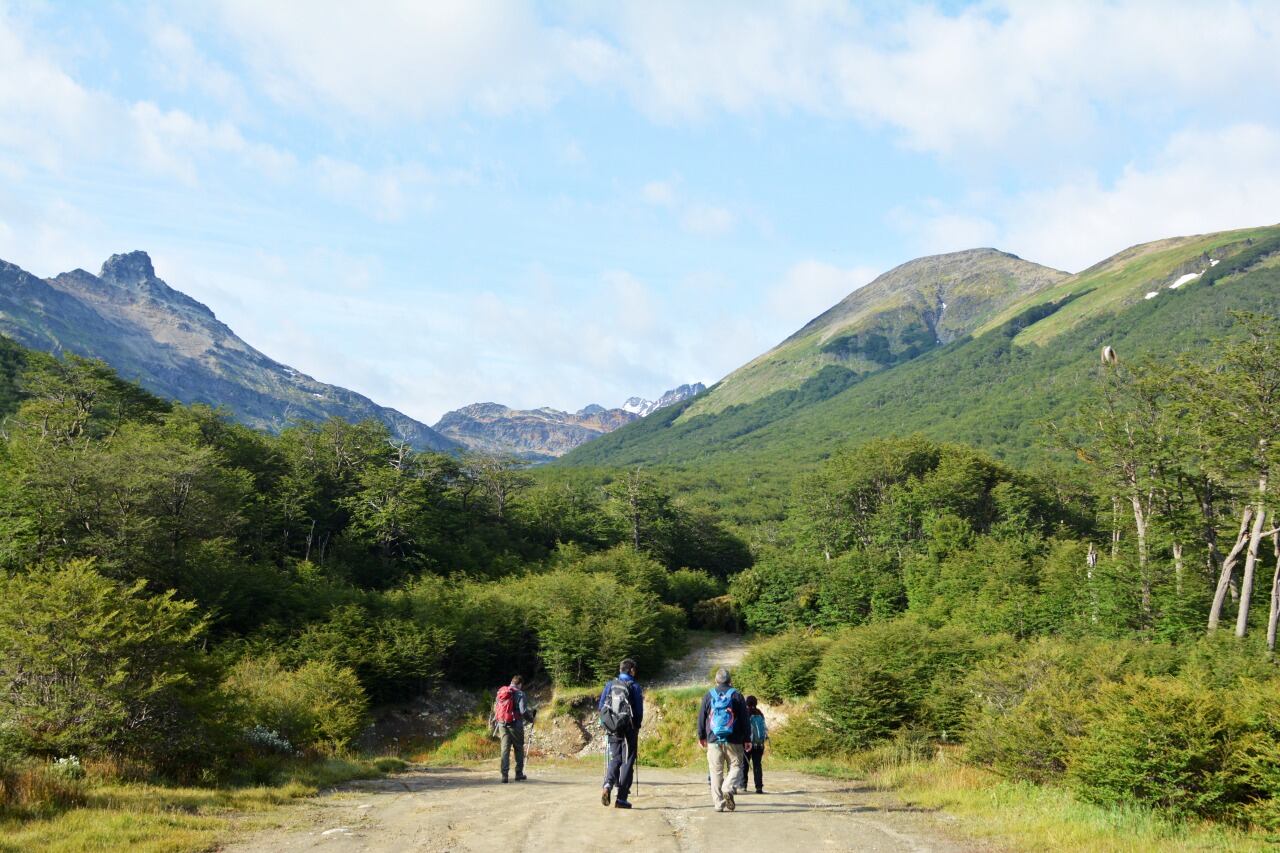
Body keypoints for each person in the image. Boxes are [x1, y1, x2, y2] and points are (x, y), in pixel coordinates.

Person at [697, 668, 751, 812]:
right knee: (736, 766)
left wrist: (701, 736)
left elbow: (702, 717)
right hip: (734, 739)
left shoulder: (709, 695)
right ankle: (728, 787)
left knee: (716, 772)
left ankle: (718, 804)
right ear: (730, 681)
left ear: (716, 681)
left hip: (713, 739)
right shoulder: (737, 695)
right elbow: (745, 719)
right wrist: (747, 738)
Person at [598, 658, 644, 810]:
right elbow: (638, 711)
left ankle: (607, 784)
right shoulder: (634, 686)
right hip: (628, 729)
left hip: (612, 728)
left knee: (616, 758)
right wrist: (637, 726)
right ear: (631, 670)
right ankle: (621, 799)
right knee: (627, 761)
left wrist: (609, 723)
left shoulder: (610, 685)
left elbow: (601, 707)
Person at [493, 674, 535, 783]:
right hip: (515, 724)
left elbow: (496, 707)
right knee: (518, 748)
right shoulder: (520, 693)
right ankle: (519, 774)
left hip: (502, 723)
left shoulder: (501, 692)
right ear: (520, 684)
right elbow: (523, 711)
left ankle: (504, 775)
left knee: (505, 749)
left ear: (512, 682)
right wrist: (531, 719)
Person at [737, 695, 767, 794]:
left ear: (746, 703)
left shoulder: (746, 713)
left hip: (747, 743)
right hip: (759, 744)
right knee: (757, 765)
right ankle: (759, 787)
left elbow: (743, 729)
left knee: (744, 764)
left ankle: (743, 785)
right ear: (756, 703)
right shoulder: (760, 713)